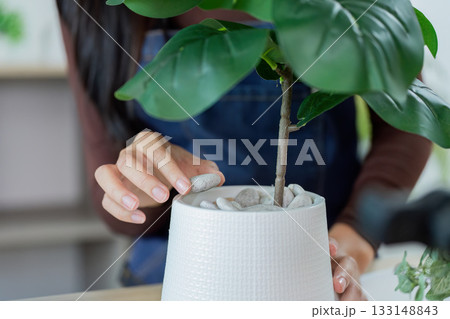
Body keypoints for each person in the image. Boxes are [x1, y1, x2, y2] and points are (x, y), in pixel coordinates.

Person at [57, 1, 431, 300]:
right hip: (177, 273)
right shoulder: (91, 7)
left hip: (320, 260)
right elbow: (109, 193)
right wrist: (141, 187)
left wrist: (354, 238)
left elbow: (411, 118)